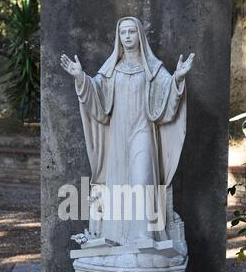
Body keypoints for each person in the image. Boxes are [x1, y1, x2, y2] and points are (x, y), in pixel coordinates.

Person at [60, 17, 194, 247]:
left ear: (140, 35)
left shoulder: (153, 69)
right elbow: (98, 102)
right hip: (118, 136)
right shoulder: (111, 71)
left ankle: (144, 236)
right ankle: (118, 237)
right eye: (123, 33)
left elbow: (168, 96)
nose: (128, 36)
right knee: (119, 186)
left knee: (142, 181)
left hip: (143, 132)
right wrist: (80, 78)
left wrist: (178, 78)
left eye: (132, 31)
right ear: (118, 37)